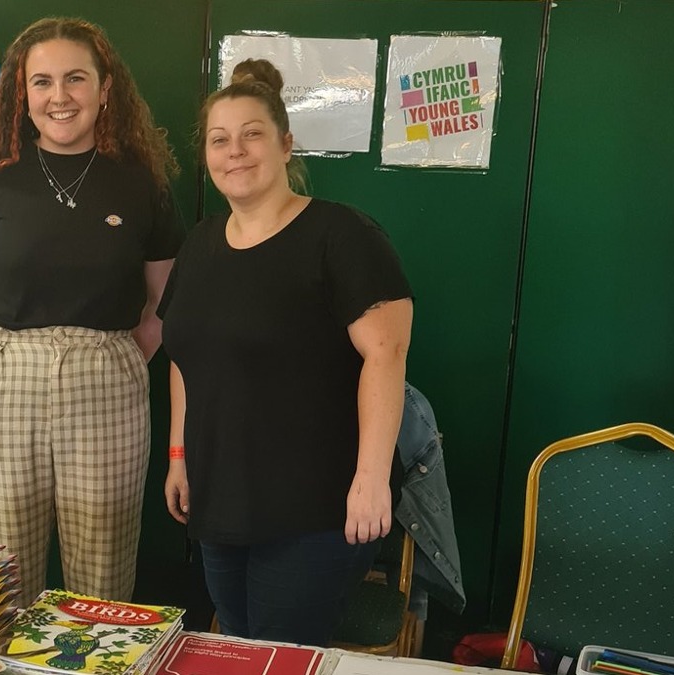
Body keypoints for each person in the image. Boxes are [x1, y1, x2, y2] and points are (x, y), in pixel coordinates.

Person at [158, 58, 414, 645]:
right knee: (242, 648)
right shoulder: (199, 243)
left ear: (285, 144)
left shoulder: (342, 236)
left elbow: (388, 354)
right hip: (221, 496)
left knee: (281, 651)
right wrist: (178, 456)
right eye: (220, 140)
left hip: (316, 504)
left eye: (252, 135)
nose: (236, 152)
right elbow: (182, 358)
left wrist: (371, 478)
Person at [0, 17, 182, 609]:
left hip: (107, 387)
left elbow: (163, 305)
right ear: (23, 93)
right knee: (1, 577)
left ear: (104, 89)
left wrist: (111, 359)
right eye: (42, 82)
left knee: (104, 578)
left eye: (75, 79)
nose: (59, 96)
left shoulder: (141, 183)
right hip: (1, 383)